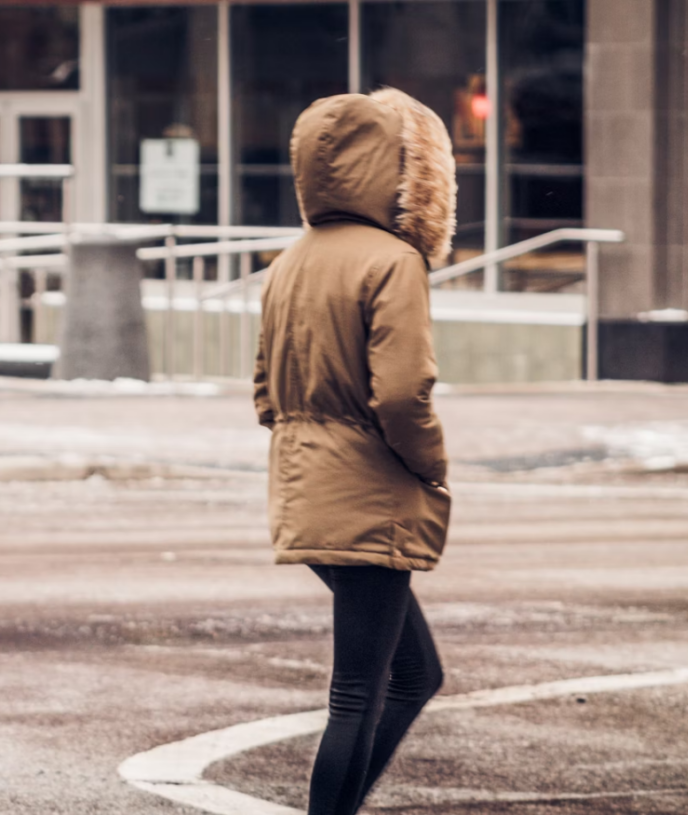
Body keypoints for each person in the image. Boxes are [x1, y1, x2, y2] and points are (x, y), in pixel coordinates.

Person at [253, 89, 456, 815]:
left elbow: (262, 389)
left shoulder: (290, 261)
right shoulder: (393, 260)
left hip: (304, 485)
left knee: (414, 672)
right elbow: (403, 394)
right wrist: (431, 463)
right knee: (359, 695)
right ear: (389, 168)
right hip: (370, 493)